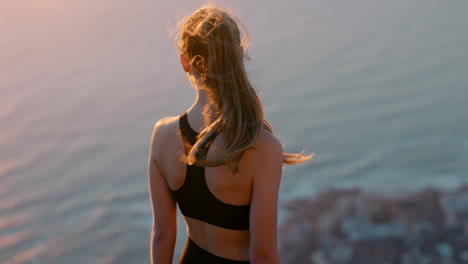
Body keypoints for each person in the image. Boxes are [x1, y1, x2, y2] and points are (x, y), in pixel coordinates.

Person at [148, 5, 312, 264]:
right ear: (238, 56)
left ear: (185, 61)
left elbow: (162, 236)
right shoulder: (261, 147)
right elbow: (263, 255)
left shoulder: (163, 134)